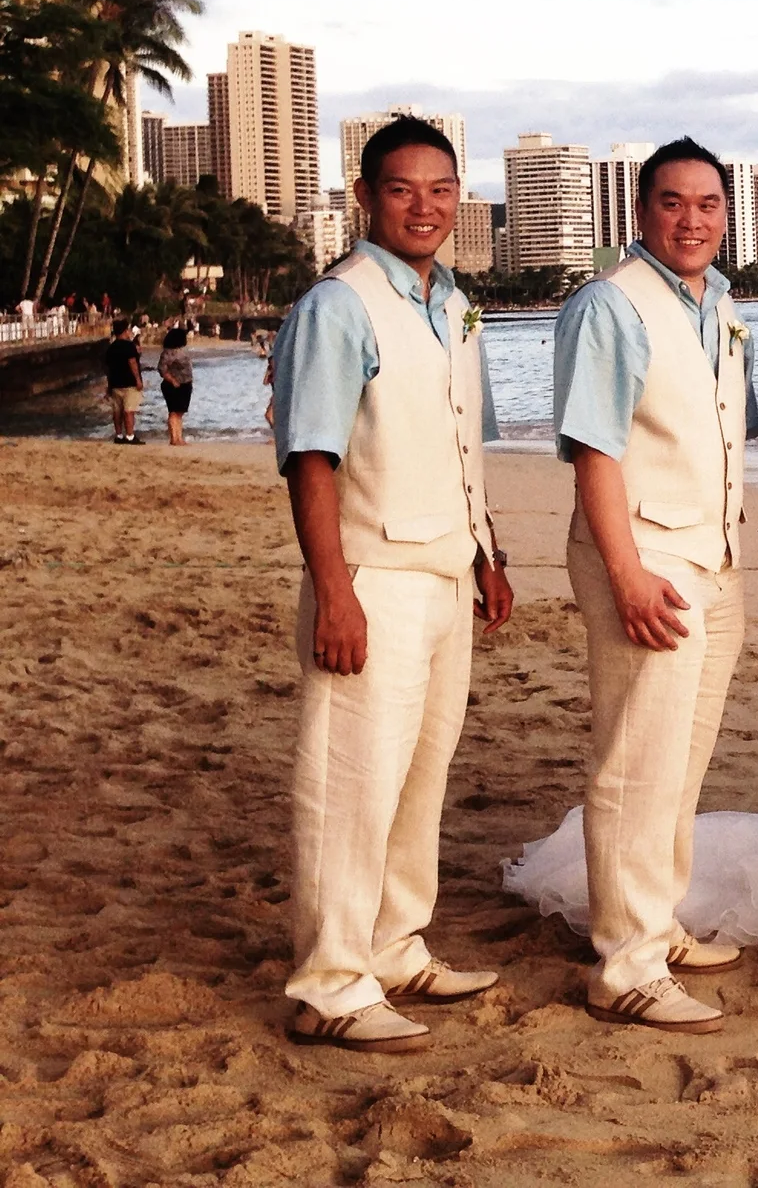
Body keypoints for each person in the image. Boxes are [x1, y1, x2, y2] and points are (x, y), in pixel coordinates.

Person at [268, 116, 513, 1054]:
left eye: (441, 189)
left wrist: (488, 553)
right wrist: (334, 589)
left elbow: (462, 444)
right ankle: (330, 981)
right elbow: (311, 455)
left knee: (420, 774)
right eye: (403, 189)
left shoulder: (450, 302)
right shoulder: (339, 303)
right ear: (366, 194)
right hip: (371, 573)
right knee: (350, 782)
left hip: (445, 571)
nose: (425, 206)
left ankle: (392, 940)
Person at [543, 139, 758, 1033]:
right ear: (641, 213)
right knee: (636, 756)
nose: (692, 218)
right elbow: (595, 448)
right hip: (643, 555)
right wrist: (627, 572)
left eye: (708, 203)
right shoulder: (610, 304)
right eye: (673, 203)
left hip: (711, 556)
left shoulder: (720, 302)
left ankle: (656, 921)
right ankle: (625, 963)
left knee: (681, 754)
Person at [103, 319, 144, 443]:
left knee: (117, 411)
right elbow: (132, 363)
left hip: (115, 382)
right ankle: (130, 436)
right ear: (125, 331)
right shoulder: (129, 346)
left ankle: (119, 435)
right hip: (129, 382)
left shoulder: (111, 348)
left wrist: (109, 385)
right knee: (129, 410)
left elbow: (107, 368)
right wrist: (138, 379)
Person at [158, 325, 194, 445]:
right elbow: (162, 369)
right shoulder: (168, 352)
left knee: (180, 412)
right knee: (173, 411)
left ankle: (179, 437)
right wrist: (173, 380)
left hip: (185, 383)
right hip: (173, 385)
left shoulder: (182, 350)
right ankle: (174, 438)